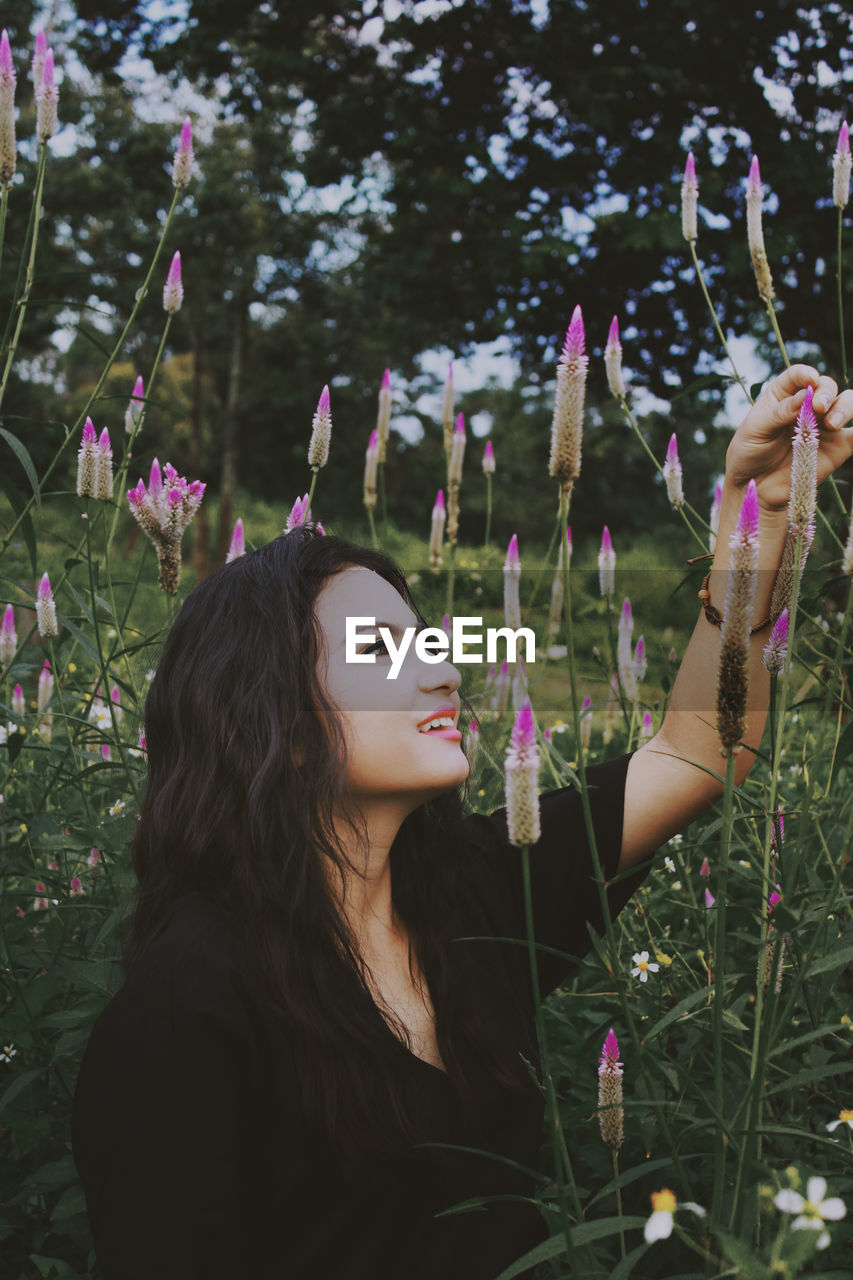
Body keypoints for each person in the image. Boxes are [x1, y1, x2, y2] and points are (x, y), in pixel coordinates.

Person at [72, 366, 853, 1278]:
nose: (440, 671)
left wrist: (747, 511)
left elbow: (699, 749)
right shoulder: (188, 1008)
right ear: (272, 722)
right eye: (383, 649)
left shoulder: (478, 894)